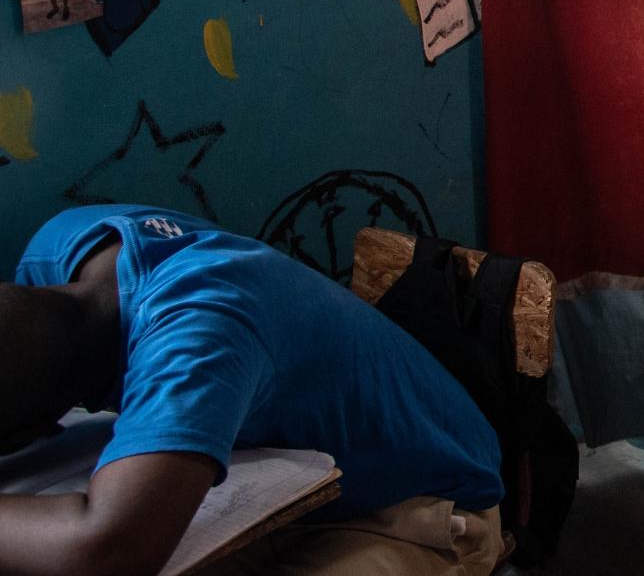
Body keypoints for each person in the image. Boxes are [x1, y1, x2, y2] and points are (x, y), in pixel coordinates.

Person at [0, 205, 505, 575]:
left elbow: (108, 549)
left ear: (39, 428)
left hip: (418, 505)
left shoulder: (197, 337)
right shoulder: (63, 247)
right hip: (278, 482)